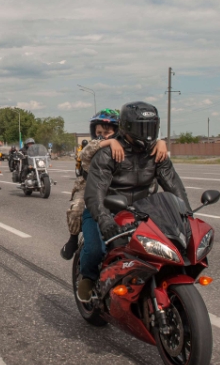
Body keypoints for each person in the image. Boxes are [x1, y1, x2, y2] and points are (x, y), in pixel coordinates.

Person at [78, 102, 189, 302]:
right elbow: (95, 193)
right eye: (142, 127)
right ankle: (87, 277)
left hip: (142, 212)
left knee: (169, 246)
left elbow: (174, 185)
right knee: (95, 249)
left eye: (151, 127)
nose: (147, 133)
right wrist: (104, 219)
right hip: (105, 210)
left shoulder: (157, 152)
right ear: (127, 127)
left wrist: (186, 215)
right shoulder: (107, 153)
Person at [61, 110, 168, 260]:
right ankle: (73, 239)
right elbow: (84, 153)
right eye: (99, 132)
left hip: (116, 190)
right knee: (77, 209)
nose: (102, 135)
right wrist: (110, 142)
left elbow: (143, 149)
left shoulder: (125, 146)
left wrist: (161, 143)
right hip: (89, 186)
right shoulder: (95, 146)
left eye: (107, 133)